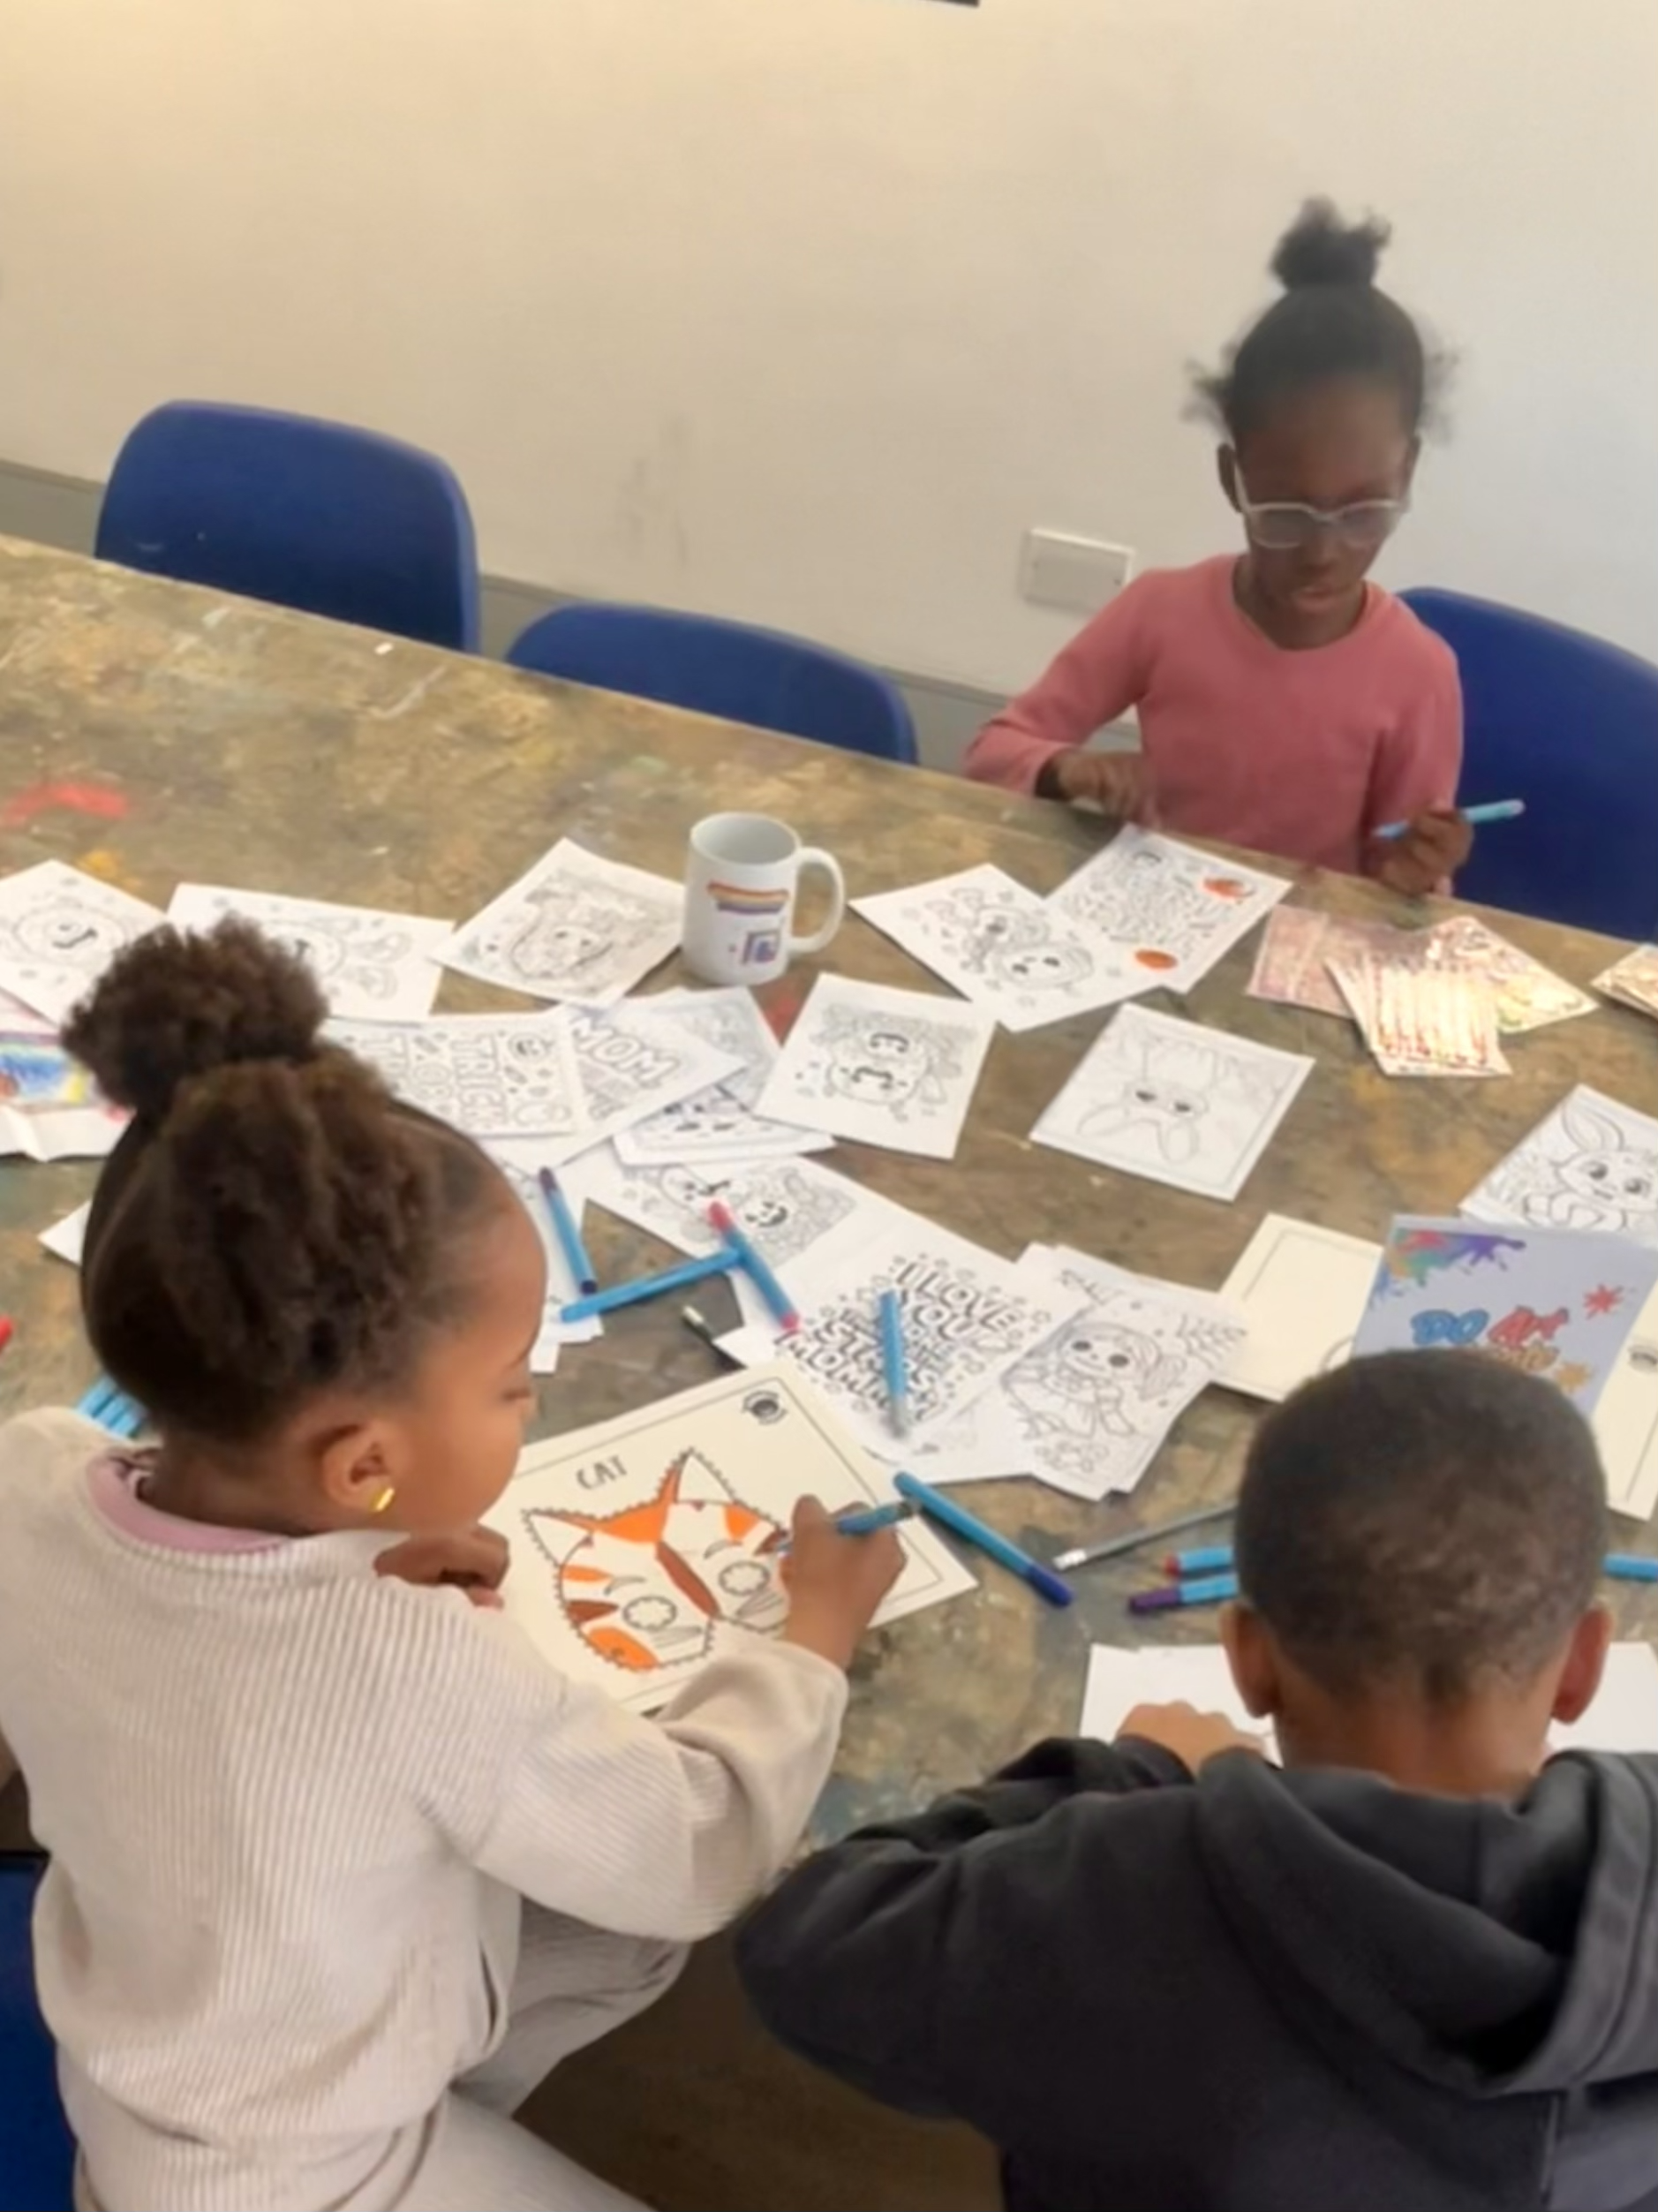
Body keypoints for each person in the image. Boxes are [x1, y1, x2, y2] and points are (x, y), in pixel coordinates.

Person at [0, 919, 901, 2212]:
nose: (528, 1402)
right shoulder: (415, 1659)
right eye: (512, 1382)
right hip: (307, 2172)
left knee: (609, 1943)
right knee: (644, 1911)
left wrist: (349, 1562)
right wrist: (808, 1640)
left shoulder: (27, 1475)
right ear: (363, 1458)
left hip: (158, 2052)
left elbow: (199, 1653)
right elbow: (694, 1848)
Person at [737, 1352, 1658, 2212]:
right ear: (1584, 1662)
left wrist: (1131, 1771)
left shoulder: (1116, 1898)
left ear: (1248, 1660)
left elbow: (809, 1948)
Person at [965, 202, 1468, 897]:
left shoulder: (1420, 674)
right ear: (1235, 479)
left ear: (1406, 473)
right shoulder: (1161, 613)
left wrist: (1417, 873)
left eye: (1362, 512)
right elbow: (992, 752)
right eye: (1286, 514)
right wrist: (1068, 769)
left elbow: (1402, 888)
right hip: (1149, 941)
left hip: (1299, 973)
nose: (1323, 552)